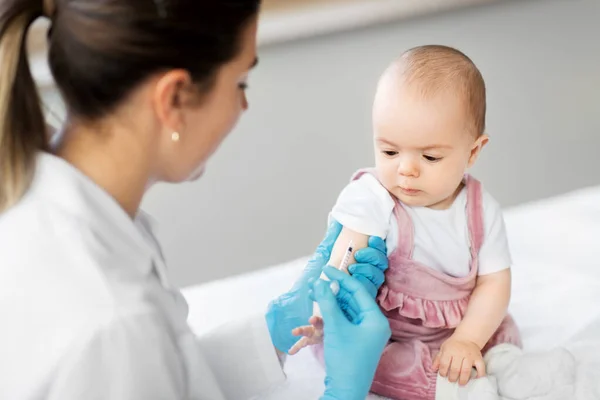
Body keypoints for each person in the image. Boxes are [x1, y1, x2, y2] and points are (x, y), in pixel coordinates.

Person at [0, 0, 391, 399]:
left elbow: (165, 375)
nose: (243, 106)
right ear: (173, 98)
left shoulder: (44, 192)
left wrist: (272, 331)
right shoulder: (114, 322)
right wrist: (344, 391)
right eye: (240, 83)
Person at [283, 45, 523, 400]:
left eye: (430, 156)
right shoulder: (373, 198)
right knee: (382, 363)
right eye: (390, 152)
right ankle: (450, 385)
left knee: (503, 332)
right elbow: (343, 265)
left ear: (473, 151)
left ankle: (495, 366)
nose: (406, 169)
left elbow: (493, 283)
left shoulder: (480, 209)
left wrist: (468, 339)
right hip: (387, 334)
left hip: (460, 328)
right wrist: (329, 316)